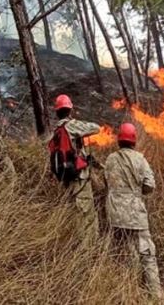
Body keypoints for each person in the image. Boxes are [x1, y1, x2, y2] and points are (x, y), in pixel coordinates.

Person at [104, 122, 163, 299]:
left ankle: (128, 293)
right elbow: (150, 186)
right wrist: (138, 192)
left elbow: (107, 182)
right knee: (147, 254)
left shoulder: (110, 159)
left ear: (119, 140)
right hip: (135, 214)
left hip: (114, 213)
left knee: (123, 252)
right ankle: (155, 296)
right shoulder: (140, 159)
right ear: (133, 141)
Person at [52, 94, 101, 241]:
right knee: (86, 214)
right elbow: (96, 128)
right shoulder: (71, 125)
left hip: (66, 176)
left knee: (76, 211)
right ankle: (89, 250)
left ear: (57, 112)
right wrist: (79, 123)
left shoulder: (56, 130)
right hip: (79, 177)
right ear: (69, 110)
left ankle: (80, 244)